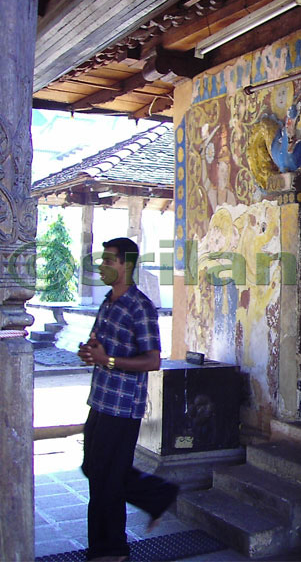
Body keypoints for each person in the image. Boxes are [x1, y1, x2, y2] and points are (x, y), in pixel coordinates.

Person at [78, 237, 178, 561]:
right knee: (94, 468)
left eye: (109, 260)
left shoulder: (141, 307)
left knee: (106, 480)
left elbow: (153, 361)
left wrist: (107, 361)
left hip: (123, 407)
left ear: (126, 265)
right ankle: (156, 495)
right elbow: (100, 345)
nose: (102, 266)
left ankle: (110, 550)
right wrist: (90, 352)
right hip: (100, 399)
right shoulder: (108, 302)